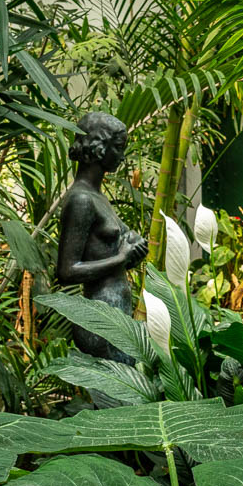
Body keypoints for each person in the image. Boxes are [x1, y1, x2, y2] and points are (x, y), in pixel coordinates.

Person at [56, 112, 147, 362]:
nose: (121, 155)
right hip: (101, 318)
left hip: (115, 313)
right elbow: (66, 271)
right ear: (99, 148)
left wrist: (133, 247)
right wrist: (121, 259)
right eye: (118, 148)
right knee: (115, 398)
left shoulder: (98, 197)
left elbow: (116, 245)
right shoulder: (82, 200)